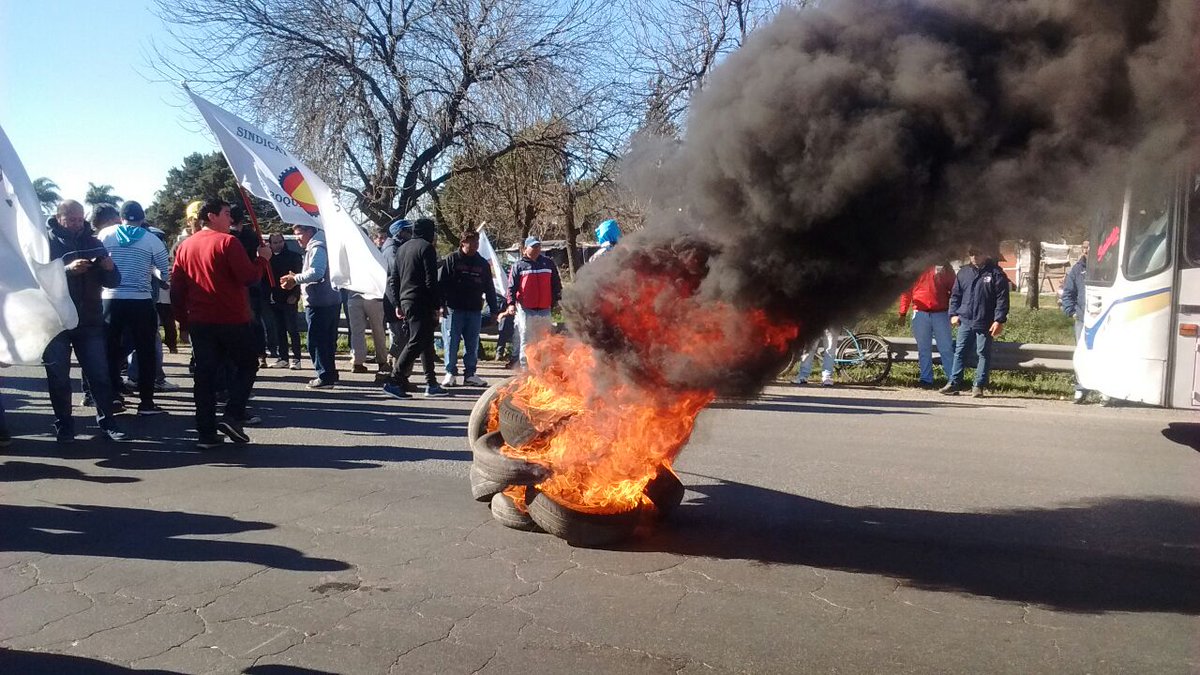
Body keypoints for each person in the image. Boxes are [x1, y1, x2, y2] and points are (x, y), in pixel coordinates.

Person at [171, 198, 272, 448]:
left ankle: (206, 432)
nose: (231, 219)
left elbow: (177, 288)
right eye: (226, 214)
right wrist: (262, 260)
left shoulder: (185, 246)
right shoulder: (228, 242)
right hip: (232, 318)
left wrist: (182, 322)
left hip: (200, 321)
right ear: (212, 216)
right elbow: (248, 277)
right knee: (247, 365)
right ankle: (232, 414)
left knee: (204, 376)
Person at [42, 200, 128, 443]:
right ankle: (65, 425)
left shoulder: (93, 242)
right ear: (59, 218)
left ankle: (108, 422)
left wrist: (110, 268)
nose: (78, 223)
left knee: (99, 374)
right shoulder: (44, 243)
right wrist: (67, 270)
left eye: (81, 219)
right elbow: (38, 278)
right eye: (72, 219)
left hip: (89, 319)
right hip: (56, 320)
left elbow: (113, 282)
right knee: (58, 376)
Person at [96, 200, 171, 416]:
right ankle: (146, 402)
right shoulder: (151, 239)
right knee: (145, 350)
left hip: (110, 298)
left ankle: (113, 396)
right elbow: (163, 271)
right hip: (140, 299)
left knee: (110, 349)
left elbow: (97, 259)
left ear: (120, 217)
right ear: (142, 218)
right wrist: (158, 276)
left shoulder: (106, 235)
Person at [383, 217, 449, 398]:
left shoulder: (402, 248)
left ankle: (431, 383)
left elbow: (393, 278)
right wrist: (437, 305)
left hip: (406, 300)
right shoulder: (426, 248)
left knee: (426, 341)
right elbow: (430, 280)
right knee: (417, 340)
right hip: (422, 301)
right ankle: (395, 380)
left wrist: (398, 303)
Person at [941, 245, 1010, 397]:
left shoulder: (996, 274)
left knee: (983, 353)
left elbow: (1002, 300)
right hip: (965, 320)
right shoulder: (964, 272)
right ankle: (954, 383)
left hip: (985, 321)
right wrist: (953, 314)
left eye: (978, 253)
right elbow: (955, 296)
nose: (974, 256)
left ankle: (978, 386)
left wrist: (999, 320)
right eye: (972, 253)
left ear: (986, 254)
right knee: (959, 352)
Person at [280, 225, 341, 388]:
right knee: (327, 340)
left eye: (299, 234)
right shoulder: (324, 244)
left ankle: (324, 376)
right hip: (330, 299)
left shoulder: (317, 247)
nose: (297, 238)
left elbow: (317, 272)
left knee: (316, 341)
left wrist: (295, 279)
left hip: (319, 301)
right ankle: (330, 373)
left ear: (309, 232)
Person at [439, 230, 500, 387]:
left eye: (477, 242)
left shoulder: (482, 263)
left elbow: (489, 288)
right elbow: (441, 284)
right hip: (453, 309)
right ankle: (450, 373)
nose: (475, 245)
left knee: (472, 344)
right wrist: (440, 305)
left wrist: (494, 310)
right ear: (463, 243)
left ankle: (470, 374)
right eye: (471, 242)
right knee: (451, 341)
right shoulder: (452, 259)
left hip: (474, 310)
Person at [504, 237, 561, 368]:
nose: (536, 249)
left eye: (538, 246)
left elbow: (556, 284)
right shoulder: (518, 266)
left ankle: (544, 367)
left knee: (545, 338)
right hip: (526, 308)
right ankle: (526, 368)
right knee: (526, 337)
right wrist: (511, 303)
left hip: (545, 308)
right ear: (525, 249)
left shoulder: (548, 263)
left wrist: (558, 301)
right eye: (533, 246)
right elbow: (511, 287)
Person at [898, 262, 956, 388]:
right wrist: (902, 313)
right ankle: (926, 379)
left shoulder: (944, 266)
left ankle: (953, 379)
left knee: (946, 348)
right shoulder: (914, 268)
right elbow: (906, 292)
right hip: (920, 313)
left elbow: (954, 289)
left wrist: (954, 312)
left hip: (941, 313)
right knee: (923, 349)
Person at [230, 205, 272, 368]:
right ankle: (251, 353)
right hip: (242, 281)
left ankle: (260, 353)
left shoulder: (248, 236)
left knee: (253, 319)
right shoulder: (232, 236)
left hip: (249, 282)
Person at [347, 227, 389, 375]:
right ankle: (382, 361)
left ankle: (357, 361)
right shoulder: (375, 253)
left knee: (357, 331)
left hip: (354, 295)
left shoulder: (349, 253)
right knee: (378, 330)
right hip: (373, 296)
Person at [265, 232, 304, 369]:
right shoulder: (268, 259)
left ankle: (297, 358)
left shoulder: (293, 256)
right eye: (275, 243)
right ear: (270, 244)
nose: (278, 245)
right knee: (279, 329)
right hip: (274, 298)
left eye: (280, 242)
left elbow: (298, 277)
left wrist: (295, 295)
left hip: (289, 298)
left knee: (292, 329)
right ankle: (283, 357)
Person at [1062, 241, 1090, 404]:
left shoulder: (1106, 266)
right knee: (1081, 355)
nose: (1086, 250)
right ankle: (1081, 389)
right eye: (1084, 247)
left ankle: (1103, 391)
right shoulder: (1077, 269)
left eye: (1089, 247)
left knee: (1101, 354)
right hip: (1081, 319)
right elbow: (1068, 293)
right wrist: (1071, 312)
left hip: (1102, 319)